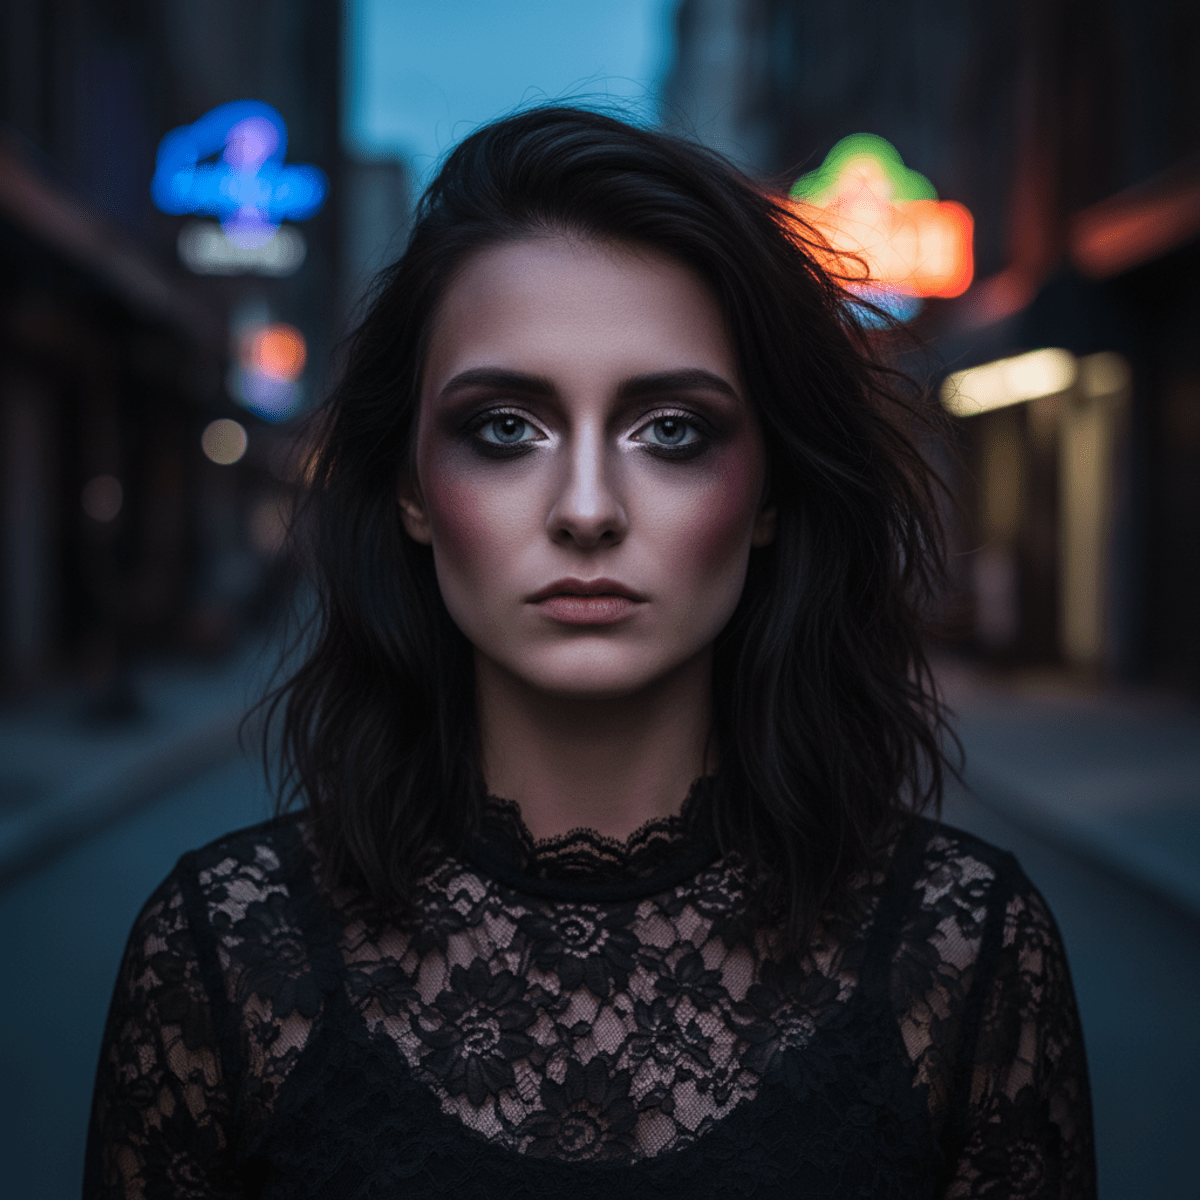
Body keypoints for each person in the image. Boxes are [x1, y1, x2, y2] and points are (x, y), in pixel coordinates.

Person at [84, 106, 1095, 1198]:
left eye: (671, 430)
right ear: (413, 488)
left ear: (768, 492)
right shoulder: (224, 955)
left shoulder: (965, 955)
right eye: (505, 428)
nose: (586, 509)